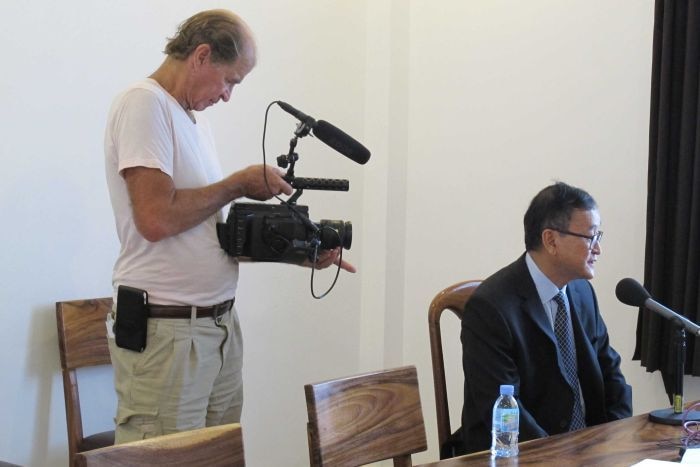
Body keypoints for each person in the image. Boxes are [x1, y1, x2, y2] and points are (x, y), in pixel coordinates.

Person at [104, 9, 354, 443]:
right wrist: (236, 184)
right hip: (170, 332)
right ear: (202, 56)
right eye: (230, 80)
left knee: (218, 456)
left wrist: (301, 251)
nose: (227, 97)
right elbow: (156, 219)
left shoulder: (192, 123)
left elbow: (203, 231)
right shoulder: (144, 103)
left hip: (216, 328)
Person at [458, 182, 632, 454]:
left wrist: (617, 437)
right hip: (516, 454)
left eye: (599, 237)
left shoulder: (581, 291)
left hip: (587, 450)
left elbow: (611, 373)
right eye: (590, 237)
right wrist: (560, 454)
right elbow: (502, 408)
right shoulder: (490, 307)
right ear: (551, 240)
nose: (598, 250)